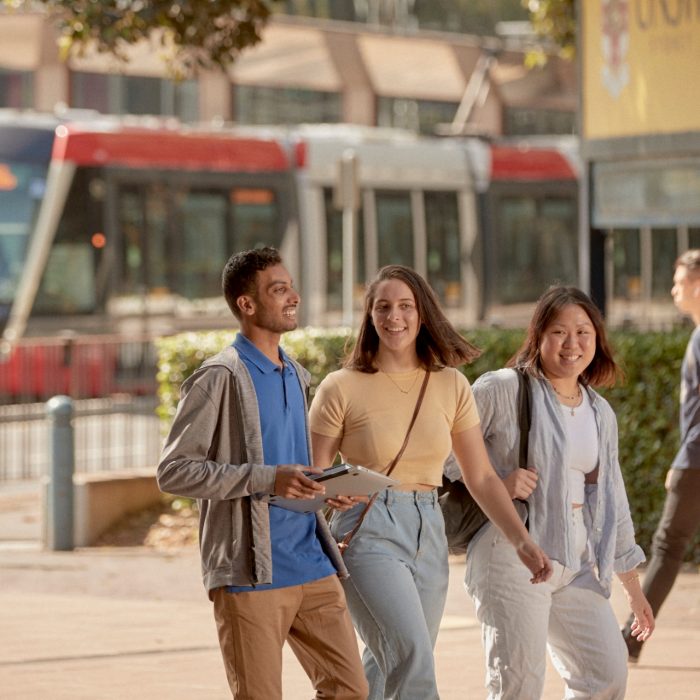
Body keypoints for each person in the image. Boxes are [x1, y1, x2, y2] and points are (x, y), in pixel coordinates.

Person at [310, 264, 552, 700]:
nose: (394, 317)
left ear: (423, 315)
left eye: (405, 306)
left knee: (388, 664)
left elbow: (479, 476)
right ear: (369, 316)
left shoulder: (450, 385)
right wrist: (332, 486)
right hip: (367, 529)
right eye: (382, 307)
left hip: (429, 529)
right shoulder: (340, 387)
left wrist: (522, 542)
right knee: (413, 661)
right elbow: (311, 474)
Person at [157, 247, 368, 700]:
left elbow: (290, 470)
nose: (293, 296)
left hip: (313, 563)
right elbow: (174, 471)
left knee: (351, 689)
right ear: (246, 304)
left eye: (291, 286)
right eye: (279, 289)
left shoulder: (295, 373)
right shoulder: (218, 377)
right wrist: (266, 478)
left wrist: (323, 489)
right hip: (250, 574)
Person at [453, 285, 654, 699]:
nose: (572, 343)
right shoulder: (503, 389)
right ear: (538, 336)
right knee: (519, 686)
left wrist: (634, 592)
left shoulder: (600, 411)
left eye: (583, 332)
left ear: (597, 340)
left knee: (606, 675)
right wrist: (499, 482)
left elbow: (613, 503)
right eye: (560, 332)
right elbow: (441, 454)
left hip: (577, 562)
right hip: (511, 553)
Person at [622, 250, 700, 662]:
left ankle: (630, 641)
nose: (673, 290)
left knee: (668, 546)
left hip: (697, 461)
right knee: (670, 546)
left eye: (679, 282)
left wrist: (682, 461)